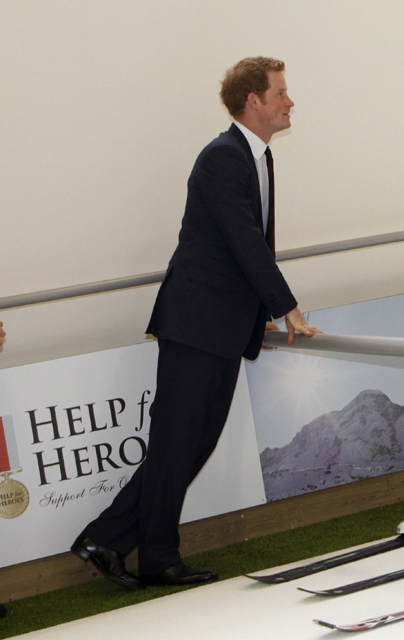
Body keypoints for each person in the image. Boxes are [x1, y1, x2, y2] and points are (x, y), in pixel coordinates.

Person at [72, 57, 318, 590]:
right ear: (253, 100)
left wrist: (260, 316)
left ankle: (110, 541)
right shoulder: (222, 158)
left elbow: (241, 250)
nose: (289, 100)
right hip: (197, 323)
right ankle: (150, 552)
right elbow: (244, 243)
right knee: (178, 443)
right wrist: (284, 306)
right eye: (281, 92)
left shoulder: (256, 157)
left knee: (189, 444)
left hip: (220, 326)